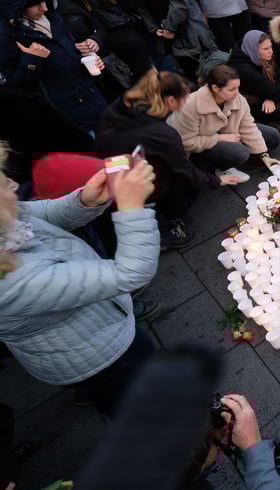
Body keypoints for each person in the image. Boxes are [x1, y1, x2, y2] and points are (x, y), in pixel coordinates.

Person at [0, 143, 160, 417]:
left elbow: (41, 215)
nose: (14, 185)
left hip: (90, 327)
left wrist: (85, 200)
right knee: (136, 394)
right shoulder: (12, 281)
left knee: (115, 387)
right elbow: (132, 271)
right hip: (100, 353)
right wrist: (132, 208)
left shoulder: (5, 222)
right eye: (3, 185)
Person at [96, 70, 243, 248]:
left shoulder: (125, 104)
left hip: (111, 164)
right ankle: (164, 232)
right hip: (129, 180)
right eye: (184, 99)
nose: (185, 104)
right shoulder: (162, 133)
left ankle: (164, 216)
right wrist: (216, 180)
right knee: (186, 185)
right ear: (171, 100)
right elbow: (185, 170)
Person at [0, 0, 107, 135]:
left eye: (44, 1)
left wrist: (90, 60)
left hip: (94, 103)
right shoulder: (7, 38)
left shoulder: (53, 19)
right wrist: (32, 60)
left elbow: (69, 57)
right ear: (16, 5)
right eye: (35, 4)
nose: (43, 8)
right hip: (64, 119)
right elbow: (10, 91)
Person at [168, 64, 280, 183]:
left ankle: (241, 156)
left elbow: (247, 125)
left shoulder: (237, 98)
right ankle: (217, 168)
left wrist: (263, 155)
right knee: (240, 152)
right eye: (231, 89)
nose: (237, 93)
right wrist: (220, 138)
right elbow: (186, 142)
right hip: (195, 149)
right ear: (215, 88)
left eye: (238, 88)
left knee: (272, 136)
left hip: (229, 135)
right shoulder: (190, 106)